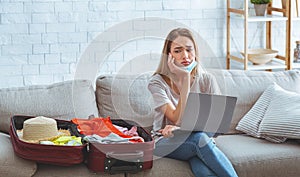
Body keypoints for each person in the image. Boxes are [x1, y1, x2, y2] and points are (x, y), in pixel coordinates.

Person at [148, 28, 238, 177]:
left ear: (195, 51)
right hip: (164, 141)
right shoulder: (157, 83)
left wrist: (180, 129)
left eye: (189, 50)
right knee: (199, 141)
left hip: (196, 140)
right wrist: (185, 79)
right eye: (177, 51)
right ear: (168, 56)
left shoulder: (206, 80)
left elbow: (217, 124)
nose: (185, 56)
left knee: (203, 169)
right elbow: (176, 117)